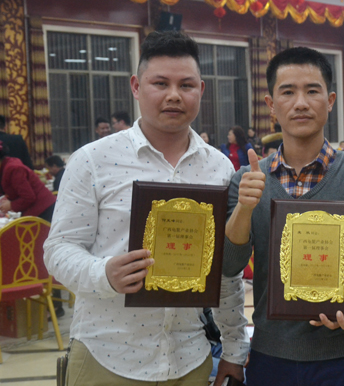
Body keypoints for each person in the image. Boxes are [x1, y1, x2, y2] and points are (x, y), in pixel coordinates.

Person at [44, 31, 248, 386]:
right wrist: (104, 273)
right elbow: (58, 249)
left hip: (189, 359)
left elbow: (224, 272)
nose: (174, 95)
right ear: (137, 87)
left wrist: (233, 348)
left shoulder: (219, 169)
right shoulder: (93, 160)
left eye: (186, 85)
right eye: (160, 83)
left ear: (201, 90)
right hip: (107, 357)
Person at [221, 47, 344, 386]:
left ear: (330, 101)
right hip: (270, 356)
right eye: (287, 92)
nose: (300, 103)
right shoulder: (247, 180)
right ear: (271, 105)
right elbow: (229, 265)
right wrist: (244, 207)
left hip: (341, 355)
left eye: (312, 91)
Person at [0, 140, 56, 221]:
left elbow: (28, 197)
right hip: (38, 210)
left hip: (43, 210)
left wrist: (11, 205)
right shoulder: (6, 165)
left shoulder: (13, 168)